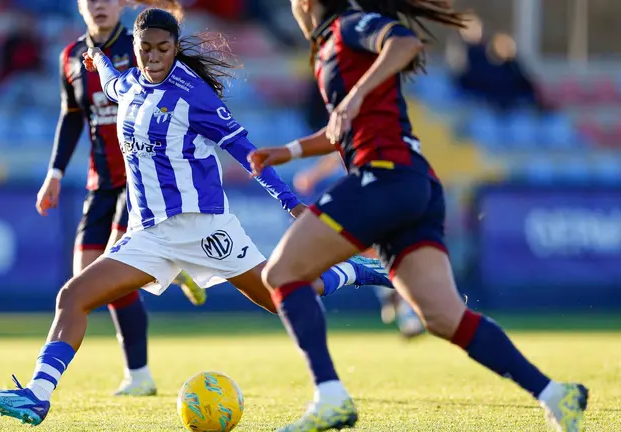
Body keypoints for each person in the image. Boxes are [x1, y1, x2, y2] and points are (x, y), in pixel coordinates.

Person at [0, 5, 393, 426]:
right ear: (133, 49)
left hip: (202, 227)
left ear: (175, 47)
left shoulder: (194, 95)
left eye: (163, 48)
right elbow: (112, 82)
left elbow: (247, 155)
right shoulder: (129, 83)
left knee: (278, 297)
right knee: (72, 297)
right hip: (148, 235)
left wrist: (291, 204)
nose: (153, 57)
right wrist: (96, 59)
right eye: (145, 49)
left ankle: (355, 272)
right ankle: (36, 396)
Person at [248, 1, 589, 431]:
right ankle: (556, 394)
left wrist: (352, 98)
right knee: (444, 317)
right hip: (413, 184)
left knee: (281, 273)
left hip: (387, 176)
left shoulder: (349, 26)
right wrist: (290, 151)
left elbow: (404, 41)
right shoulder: (329, 50)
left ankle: (330, 396)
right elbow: (346, 126)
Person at [35, 0, 207, 398]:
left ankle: (139, 373)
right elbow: (72, 114)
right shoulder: (71, 57)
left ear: (120, 5)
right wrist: (54, 173)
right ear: (79, 7)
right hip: (100, 184)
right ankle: (174, 272)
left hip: (140, 181)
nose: (99, 6)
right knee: (86, 280)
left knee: (113, 270)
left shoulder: (139, 48)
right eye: (90, 0)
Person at [293, 153, 424, 338]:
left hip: (385, 202)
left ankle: (394, 299)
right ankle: (398, 304)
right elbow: (337, 151)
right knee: (382, 254)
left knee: (389, 255)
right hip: (367, 205)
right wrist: (312, 174)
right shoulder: (363, 139)